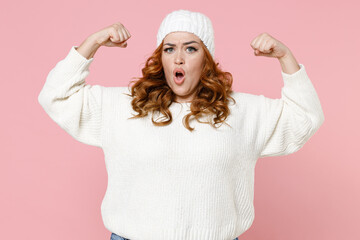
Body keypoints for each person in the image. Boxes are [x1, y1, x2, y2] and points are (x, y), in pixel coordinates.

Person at [37, 9, 325, 240]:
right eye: (169, 48)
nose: (178, 58)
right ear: (160, 57)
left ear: (207, 58)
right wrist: (92, 43)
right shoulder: (124, 107)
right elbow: (56, 96)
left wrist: (285, 58)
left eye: (190, 49)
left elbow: (305, 118)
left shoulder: (240, 111)